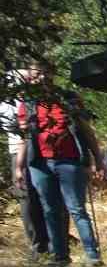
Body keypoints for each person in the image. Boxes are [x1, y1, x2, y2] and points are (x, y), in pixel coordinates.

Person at [11, 63, 106, 266]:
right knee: (50, 210)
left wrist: (98, 160)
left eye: (45, 73)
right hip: (40, 164)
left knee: (76, 208)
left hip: (69, 161)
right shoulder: (28, 104)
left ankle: (92, 255)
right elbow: (25, 137)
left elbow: (86, 131)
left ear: (52, 74)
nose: (41, 78)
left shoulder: (68, 99)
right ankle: (61, 258)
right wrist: (19, 167)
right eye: (36, 74)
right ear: (30, 78)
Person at [1, 72, 49, 257]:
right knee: (27, 198)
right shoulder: (8, 103)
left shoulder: (37, 98)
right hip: (19, 151)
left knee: (46, 196)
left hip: (42, 150)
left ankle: (51, 240)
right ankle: (38, 245)